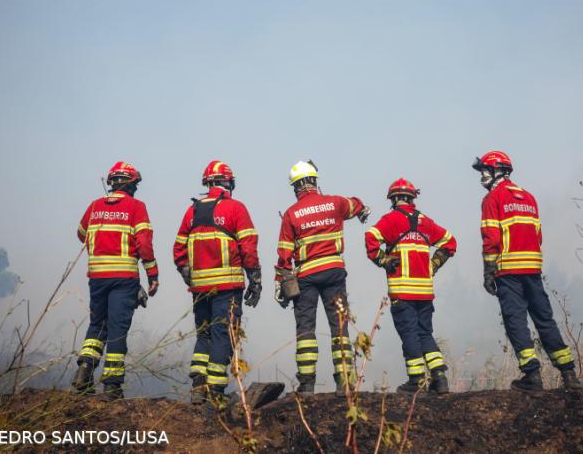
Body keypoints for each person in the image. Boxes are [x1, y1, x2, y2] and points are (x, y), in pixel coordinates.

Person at [473, 150, 579, 390]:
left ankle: (532, 375)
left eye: (485, 171)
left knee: (515, 321)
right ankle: (569, 373)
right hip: (532, 269)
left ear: (498, 171)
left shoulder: (492, 199)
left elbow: (490, 237)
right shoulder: (529, 197)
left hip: (509, 271)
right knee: (545, 319)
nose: (481, 176)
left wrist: (489, 271)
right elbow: (538, 235)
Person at [275, 160, 369, 394]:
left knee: (306, 329)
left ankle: (306, 385)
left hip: (306, 276)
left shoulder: (291, 214)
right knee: (339, 326)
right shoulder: (335, 203)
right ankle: (345, 382)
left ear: (296, 186)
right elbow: (356, 205)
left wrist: (280, 284)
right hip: (334, 272)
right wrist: (361, 209)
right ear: (315, 181)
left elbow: (284, 254)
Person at [173, 160, 262, 405]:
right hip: (228, 288)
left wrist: (185, 271)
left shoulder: (191, 211)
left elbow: (179, 249)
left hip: (199, 289)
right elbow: (248, 247)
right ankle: (216, 393)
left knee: (204, 336)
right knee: (224, 336)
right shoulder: (235, 208)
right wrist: (255, 279)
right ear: (227, 183)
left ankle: (198, 388)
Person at [72, 161, 159, 400]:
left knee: (97, 325)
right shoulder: (136, 207)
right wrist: (153, 274)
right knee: (118, 331)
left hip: (97, 278)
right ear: (131, 185)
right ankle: (112, 386)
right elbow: (144, 244)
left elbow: (81, 234)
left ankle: (84, 370)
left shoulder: (94, 206)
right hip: (123, 279)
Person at [365, 178, 457, 394]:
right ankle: (440, 378)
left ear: (394, 199)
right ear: (412, 198)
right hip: (425, 292)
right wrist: (434, 264)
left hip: (402, 291)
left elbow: (371, 236)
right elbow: (450, 242)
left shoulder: (391, 220)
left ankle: (416, 382)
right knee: (425, 333)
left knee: (409, 334)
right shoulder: (426, 222)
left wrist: (383, 260)